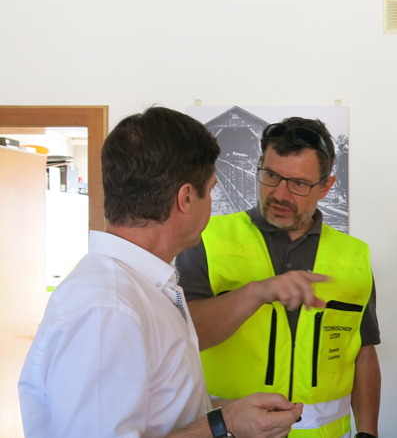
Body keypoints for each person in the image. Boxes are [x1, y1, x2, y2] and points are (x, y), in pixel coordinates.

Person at [18, 106, 303, 438]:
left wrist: (229, 412)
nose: (210, 201)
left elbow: (158, 409)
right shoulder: (108, 311)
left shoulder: (143, 290)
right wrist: (224, 424)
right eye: (209, 190)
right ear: (185, 198)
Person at [176, 117, 380, 438]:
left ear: (326, 187)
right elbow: (183, 336)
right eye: (271, 176)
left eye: (298, 183)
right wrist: (256, 292)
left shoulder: (355, 255)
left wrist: (368, 433)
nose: (280, 193)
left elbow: (363, 350)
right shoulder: (206, 239)